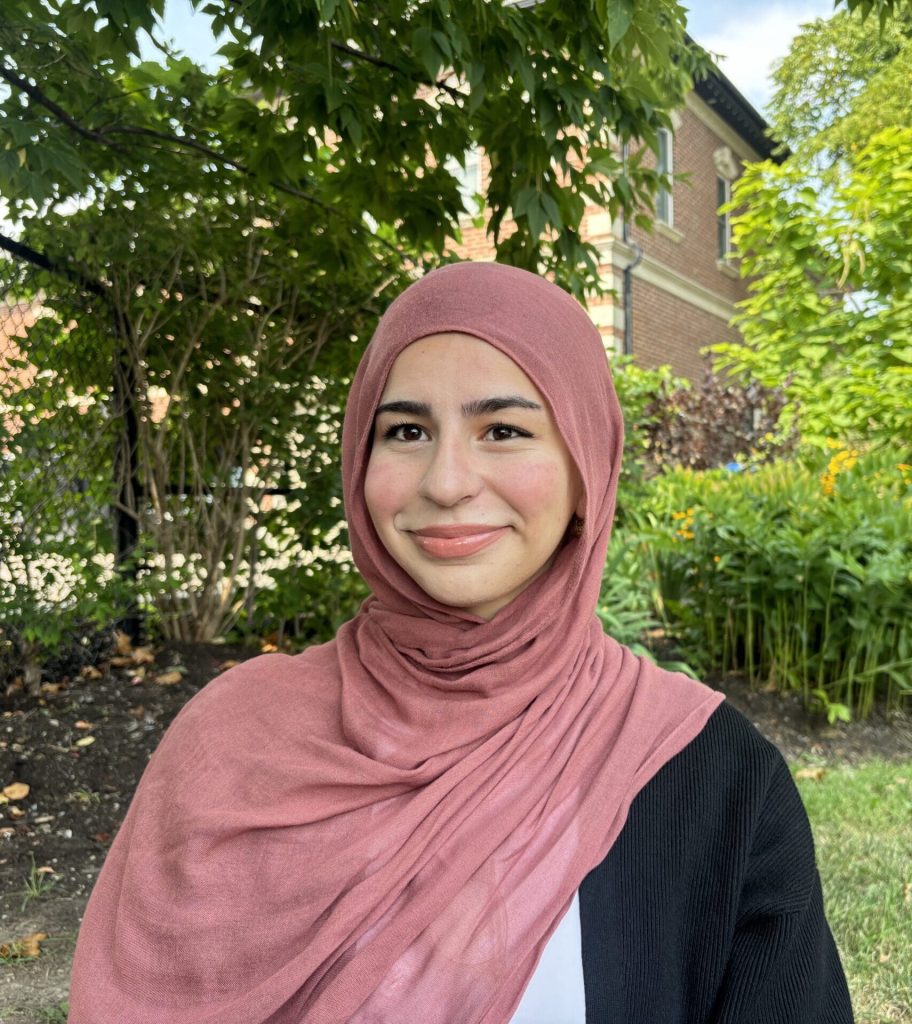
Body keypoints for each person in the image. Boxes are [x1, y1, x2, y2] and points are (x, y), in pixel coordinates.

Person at [68, 261, 853, 1023]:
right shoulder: (232, 740)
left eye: (504, 429)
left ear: (588, 470)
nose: (446, 481)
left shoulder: (711, 775)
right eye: (406, 430)